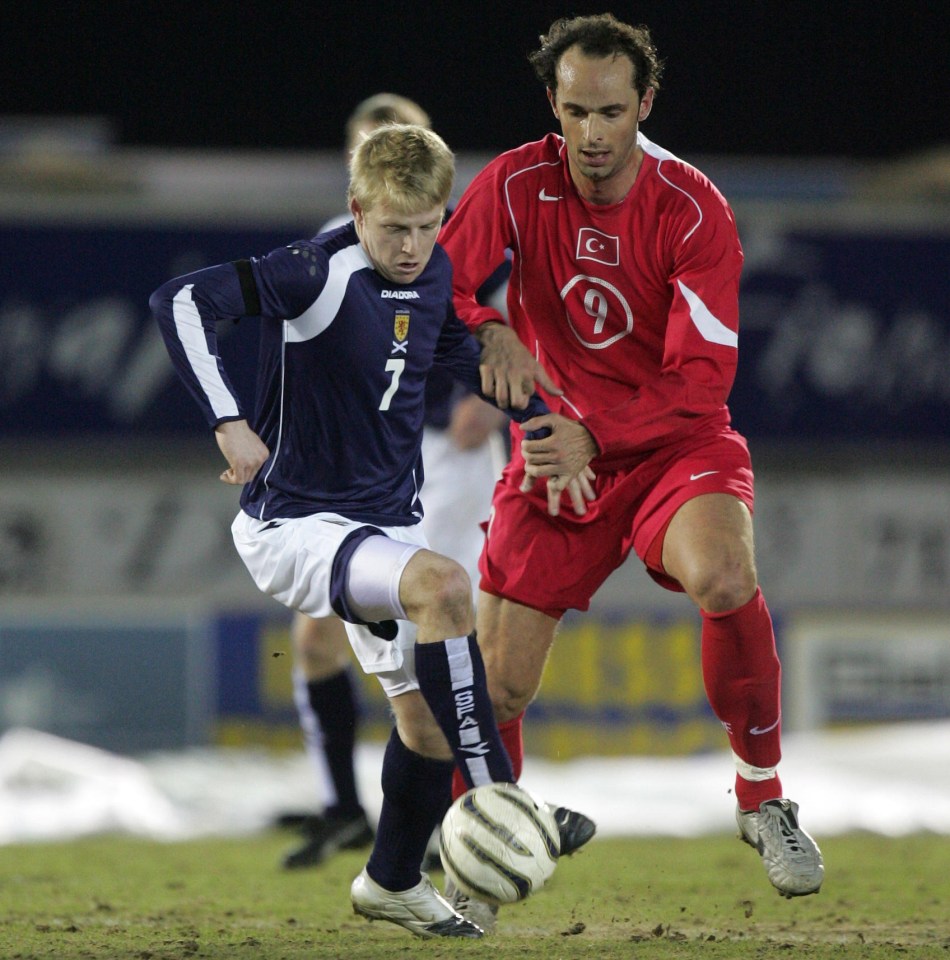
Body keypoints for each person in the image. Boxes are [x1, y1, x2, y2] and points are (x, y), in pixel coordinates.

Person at [151, 122, 592, 940]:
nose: (414, 245)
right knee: (445, 588)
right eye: (395, 227)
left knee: (423, 725)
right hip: (295, 524)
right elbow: (178, 300)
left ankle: (390, 880)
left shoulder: (437, 274)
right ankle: (503, 797)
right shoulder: (314, 270)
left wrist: (548, 419)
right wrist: (227, 420)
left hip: (382, 523)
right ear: (358, 211)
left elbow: (468, 358)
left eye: (430, 225)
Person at [438, 11, 825, 915]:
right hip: (554, 455)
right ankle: (482, 852)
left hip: (666, 447)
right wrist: (488, 328)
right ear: (554, 105)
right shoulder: (515, 182)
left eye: (611, 112)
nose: (593, 133)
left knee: (725, 575)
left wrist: (595, 434)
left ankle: (762, 799)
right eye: (575, 112)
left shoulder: (693, 208)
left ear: (644, 103)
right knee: (497, 685)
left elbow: (703, 380)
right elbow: (439, 284)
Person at [280, 93, 508, 872]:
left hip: (445, 459)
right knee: (321, 637)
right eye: (372, 151)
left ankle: (457, 821)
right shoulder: (323, 254)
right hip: (363, 470)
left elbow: (510, 318)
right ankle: (352, 809)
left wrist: (490, 394)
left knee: (443, 634)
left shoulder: (466, 237)